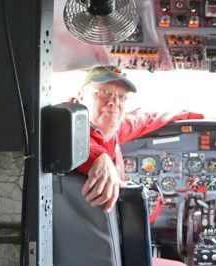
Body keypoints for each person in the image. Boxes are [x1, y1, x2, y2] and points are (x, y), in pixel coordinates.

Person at [75, 65, 203, 212]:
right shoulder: (64, 125)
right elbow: (68, 136)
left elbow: (145, 119)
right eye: (104, 92)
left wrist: (198, 116)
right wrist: (99, 158)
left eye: (121, 96)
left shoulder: (115, 130)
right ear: (81, 96)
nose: (114, 102)